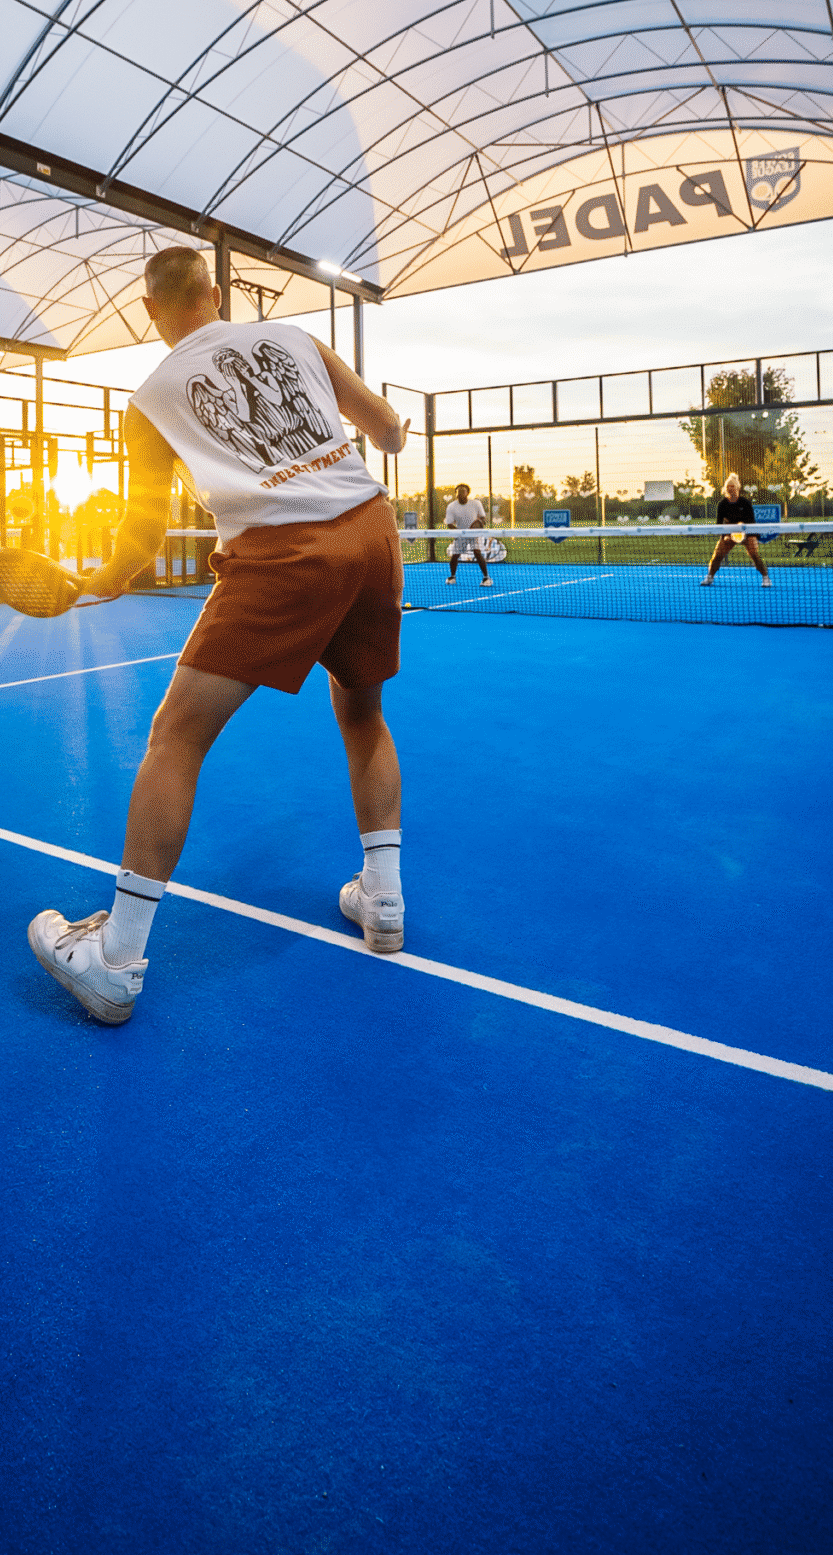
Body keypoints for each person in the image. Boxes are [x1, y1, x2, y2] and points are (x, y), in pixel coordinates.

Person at [27, 246, 411, 1027]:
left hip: (283, 553)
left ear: (150, 311)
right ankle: (384, 897)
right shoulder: (298, 338)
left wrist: (106, 577)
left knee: (176, 737)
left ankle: (116, 960)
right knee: (362, 714)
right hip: (372, 532)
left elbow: (141, 537)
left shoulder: (149, 398)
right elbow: (390, 432)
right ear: (217, 292)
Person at [703, 470, 770, 587]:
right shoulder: (722, 504)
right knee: (717, 555)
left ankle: (765, 577)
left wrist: (744, 535)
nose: (730, 489)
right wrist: (727, 536)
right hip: (729, 533)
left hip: (748, 532)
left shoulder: (745, 503)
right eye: (728, 487)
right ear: (725, 488)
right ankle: (709, 577)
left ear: (737, 488)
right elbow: (719, 524)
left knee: (754, 554)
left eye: (732, 486)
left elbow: (751, 522)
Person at [443, 482, 494, 588]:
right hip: (460, 534)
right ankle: (452, 577)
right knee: (455, 556)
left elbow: (483, 519)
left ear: (468, 493)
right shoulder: (451, 506)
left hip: (474, 534)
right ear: (456, 494)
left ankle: (486, 578)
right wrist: (459, 533)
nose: (460, 494)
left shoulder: (476, 504)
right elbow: (449, 523)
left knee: (477, 553)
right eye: (458, 492)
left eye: (463, 491)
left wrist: (479, 524)